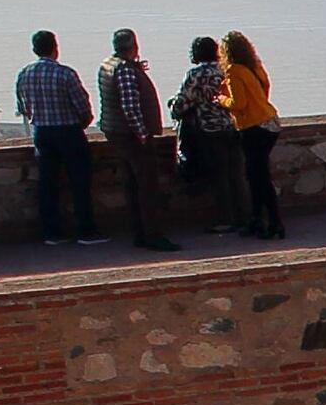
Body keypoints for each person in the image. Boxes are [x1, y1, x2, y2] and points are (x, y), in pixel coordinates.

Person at [95, 28, 173, 251]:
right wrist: (142, 134)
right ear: (134, 46)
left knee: (133, 183)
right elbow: (130, 107)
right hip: (131, 135)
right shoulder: (124, 70)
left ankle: (140, 233)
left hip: (115, 131)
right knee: (147, 185)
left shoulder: (108, 64)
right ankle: (152, 235)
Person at [14, 29, 92, 243]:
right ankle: (86, 230)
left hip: (42, 132)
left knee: (47, 183)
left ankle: (52, 232)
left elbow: (23, 107)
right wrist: (83, 122)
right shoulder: (65, 74)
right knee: (79, 181)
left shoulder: (24, 74)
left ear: (34, 49)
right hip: (68, 131)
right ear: (55, 48)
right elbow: (82, 105)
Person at [219, 29, 284, 237]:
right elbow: (265, 88)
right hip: (270, 122)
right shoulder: (255, 66)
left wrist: (220, 100)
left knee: (258, 177)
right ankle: (256, 219)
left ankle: (274, 223)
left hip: (253, 127)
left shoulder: (234, 71)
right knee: (256, 175)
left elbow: (239, 103)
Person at [169, 36, 231, 213]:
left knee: (218, 177)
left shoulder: (196, 74)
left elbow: (182, 103)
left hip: (209, 129)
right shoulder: (226, 70)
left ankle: (225, 219)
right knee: (235, 175)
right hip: (232, 127)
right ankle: (243, 216)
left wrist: (172, 106)